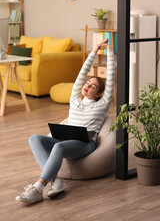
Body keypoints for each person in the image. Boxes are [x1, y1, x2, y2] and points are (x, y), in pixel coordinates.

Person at [16, 39, 115, 204]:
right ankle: (57, 180)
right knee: (34, 138)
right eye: (88, 83)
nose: (87, 86)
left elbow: (111, 78)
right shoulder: (75, 99)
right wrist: (94, 50)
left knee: (58, 146)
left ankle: (38, 188)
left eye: (93, 86)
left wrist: (109, 52)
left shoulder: (102, 105)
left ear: (98, 94)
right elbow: (82, 73)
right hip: (65, 139)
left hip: (85, 144)